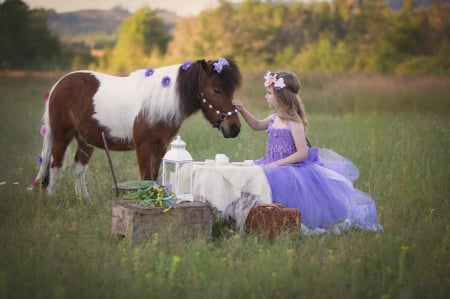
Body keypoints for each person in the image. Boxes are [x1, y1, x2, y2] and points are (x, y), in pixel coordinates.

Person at [232, 71, 383, 234]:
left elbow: (302, 153)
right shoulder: (273, 118)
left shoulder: (294, 122)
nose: (265, 96)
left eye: (269, 93)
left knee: (280, 189)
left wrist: (276, 164)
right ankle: (266, 222)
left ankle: (286, 222)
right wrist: (242, 110)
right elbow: (255, 124)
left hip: (290, 168)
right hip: (271, 163)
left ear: (281, 96)